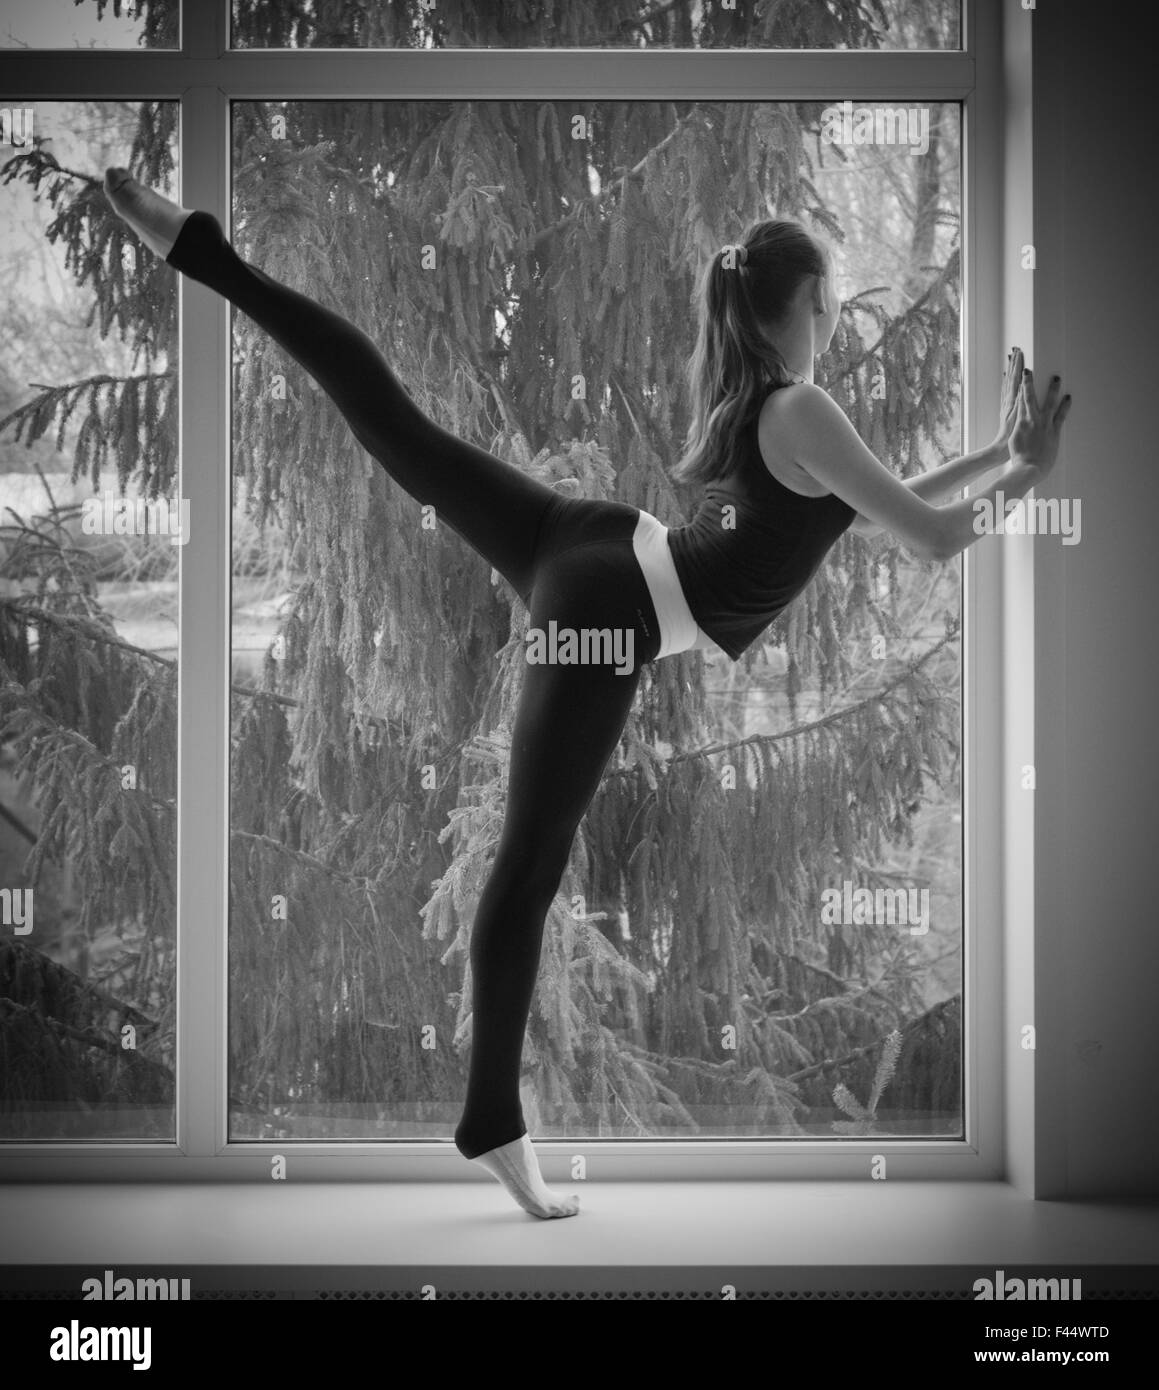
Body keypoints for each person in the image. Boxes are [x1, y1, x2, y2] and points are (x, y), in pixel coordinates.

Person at [103, 170, 1070, 1218]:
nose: (835, 313)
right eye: (830, 296)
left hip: (586, 539)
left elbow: (885, 507)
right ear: (804, 306)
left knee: (401, 430)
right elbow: (926, 535)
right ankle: (491, 1126)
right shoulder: (800, 404)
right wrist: (1026, 478)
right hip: (610, 602)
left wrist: (1008, 460)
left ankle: (197, 249)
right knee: (525, 869)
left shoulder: (772, 403)